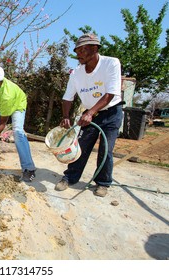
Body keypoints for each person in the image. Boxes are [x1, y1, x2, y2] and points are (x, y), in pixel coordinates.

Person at [54, 33, 124, 197]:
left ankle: (103, 183)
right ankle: (70, 177)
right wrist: (65, 116)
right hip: (90, 113)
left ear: (94, 48)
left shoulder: (111, 63)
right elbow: (67, 97)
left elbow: (110, 94)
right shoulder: (76, 73)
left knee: (106, 150)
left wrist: (91, 112)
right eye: (77, 51)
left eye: (82, 50)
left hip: (112, 112)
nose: (78, 54)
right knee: (81, 146)